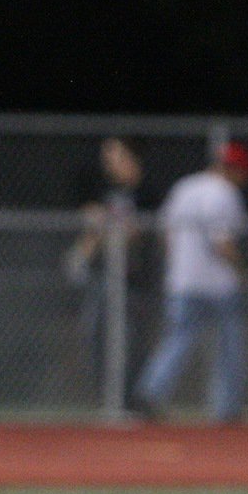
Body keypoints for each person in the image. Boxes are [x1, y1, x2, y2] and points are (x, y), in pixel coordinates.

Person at [133, 140, 248, 423]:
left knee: (178, 339)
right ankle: (227, 409)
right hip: (218, 284)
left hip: (182, 281)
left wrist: (176, 266)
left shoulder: (185, 186)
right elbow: (222, 243)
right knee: (229, 346)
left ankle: (149, 394)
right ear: (233, 170)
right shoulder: (224, 193)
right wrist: (244, 269)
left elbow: (166, 234)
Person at [65, 136, 160, 407]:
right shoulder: (106, 191)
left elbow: (139, 234)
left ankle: (134, 401)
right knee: (94, 333)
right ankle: (108, 398)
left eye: (115, 157)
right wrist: (82, 254)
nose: (108, 164)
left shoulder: (147, 192)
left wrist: (111, 225)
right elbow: (95, 226)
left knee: (133, 342)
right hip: (105, 278)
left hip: (135, 280)